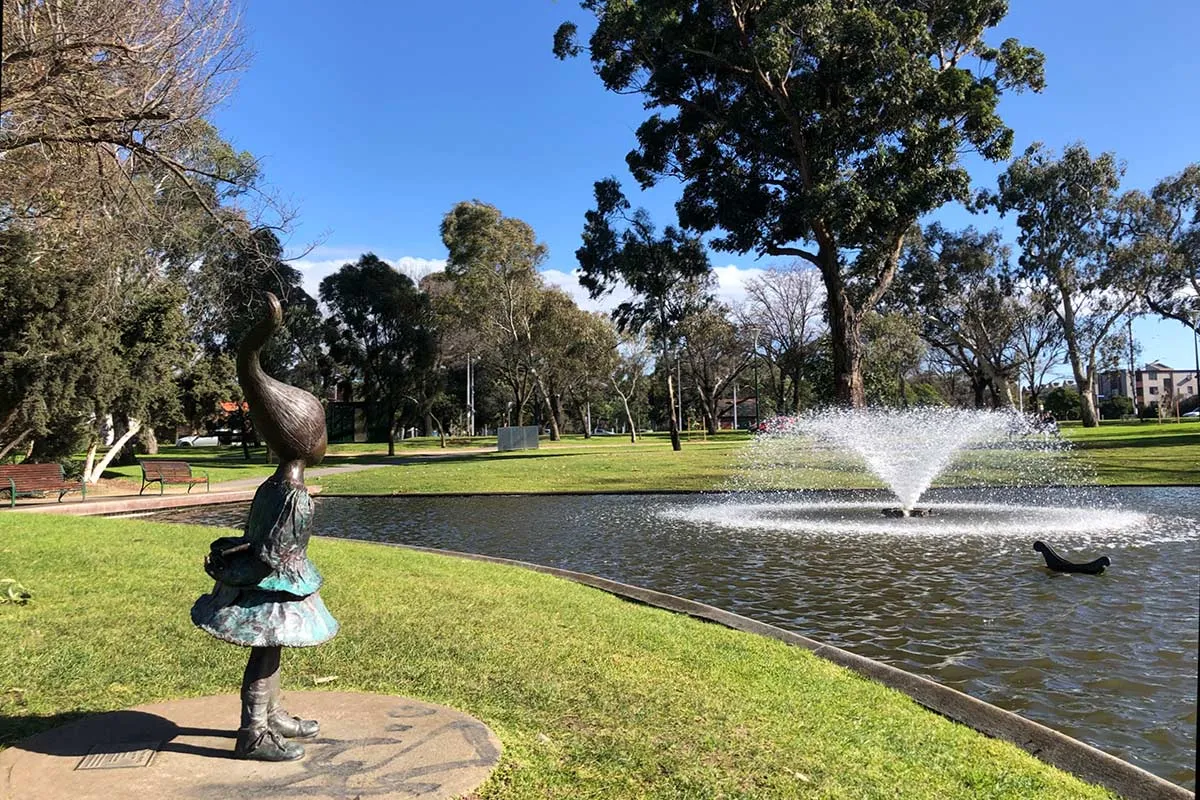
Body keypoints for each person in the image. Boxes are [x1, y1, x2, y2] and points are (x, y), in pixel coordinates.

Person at [191, 294, 338, 762]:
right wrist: (238, 563)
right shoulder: (294, 496)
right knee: (266, 651)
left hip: (271, 580)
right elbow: (272, 553)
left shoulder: (272, 484)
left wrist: (235, 552)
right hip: (273, 584)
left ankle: (272, 715)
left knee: (272, 651)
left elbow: (258, 536)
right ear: (310, 442)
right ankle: (253, 732)